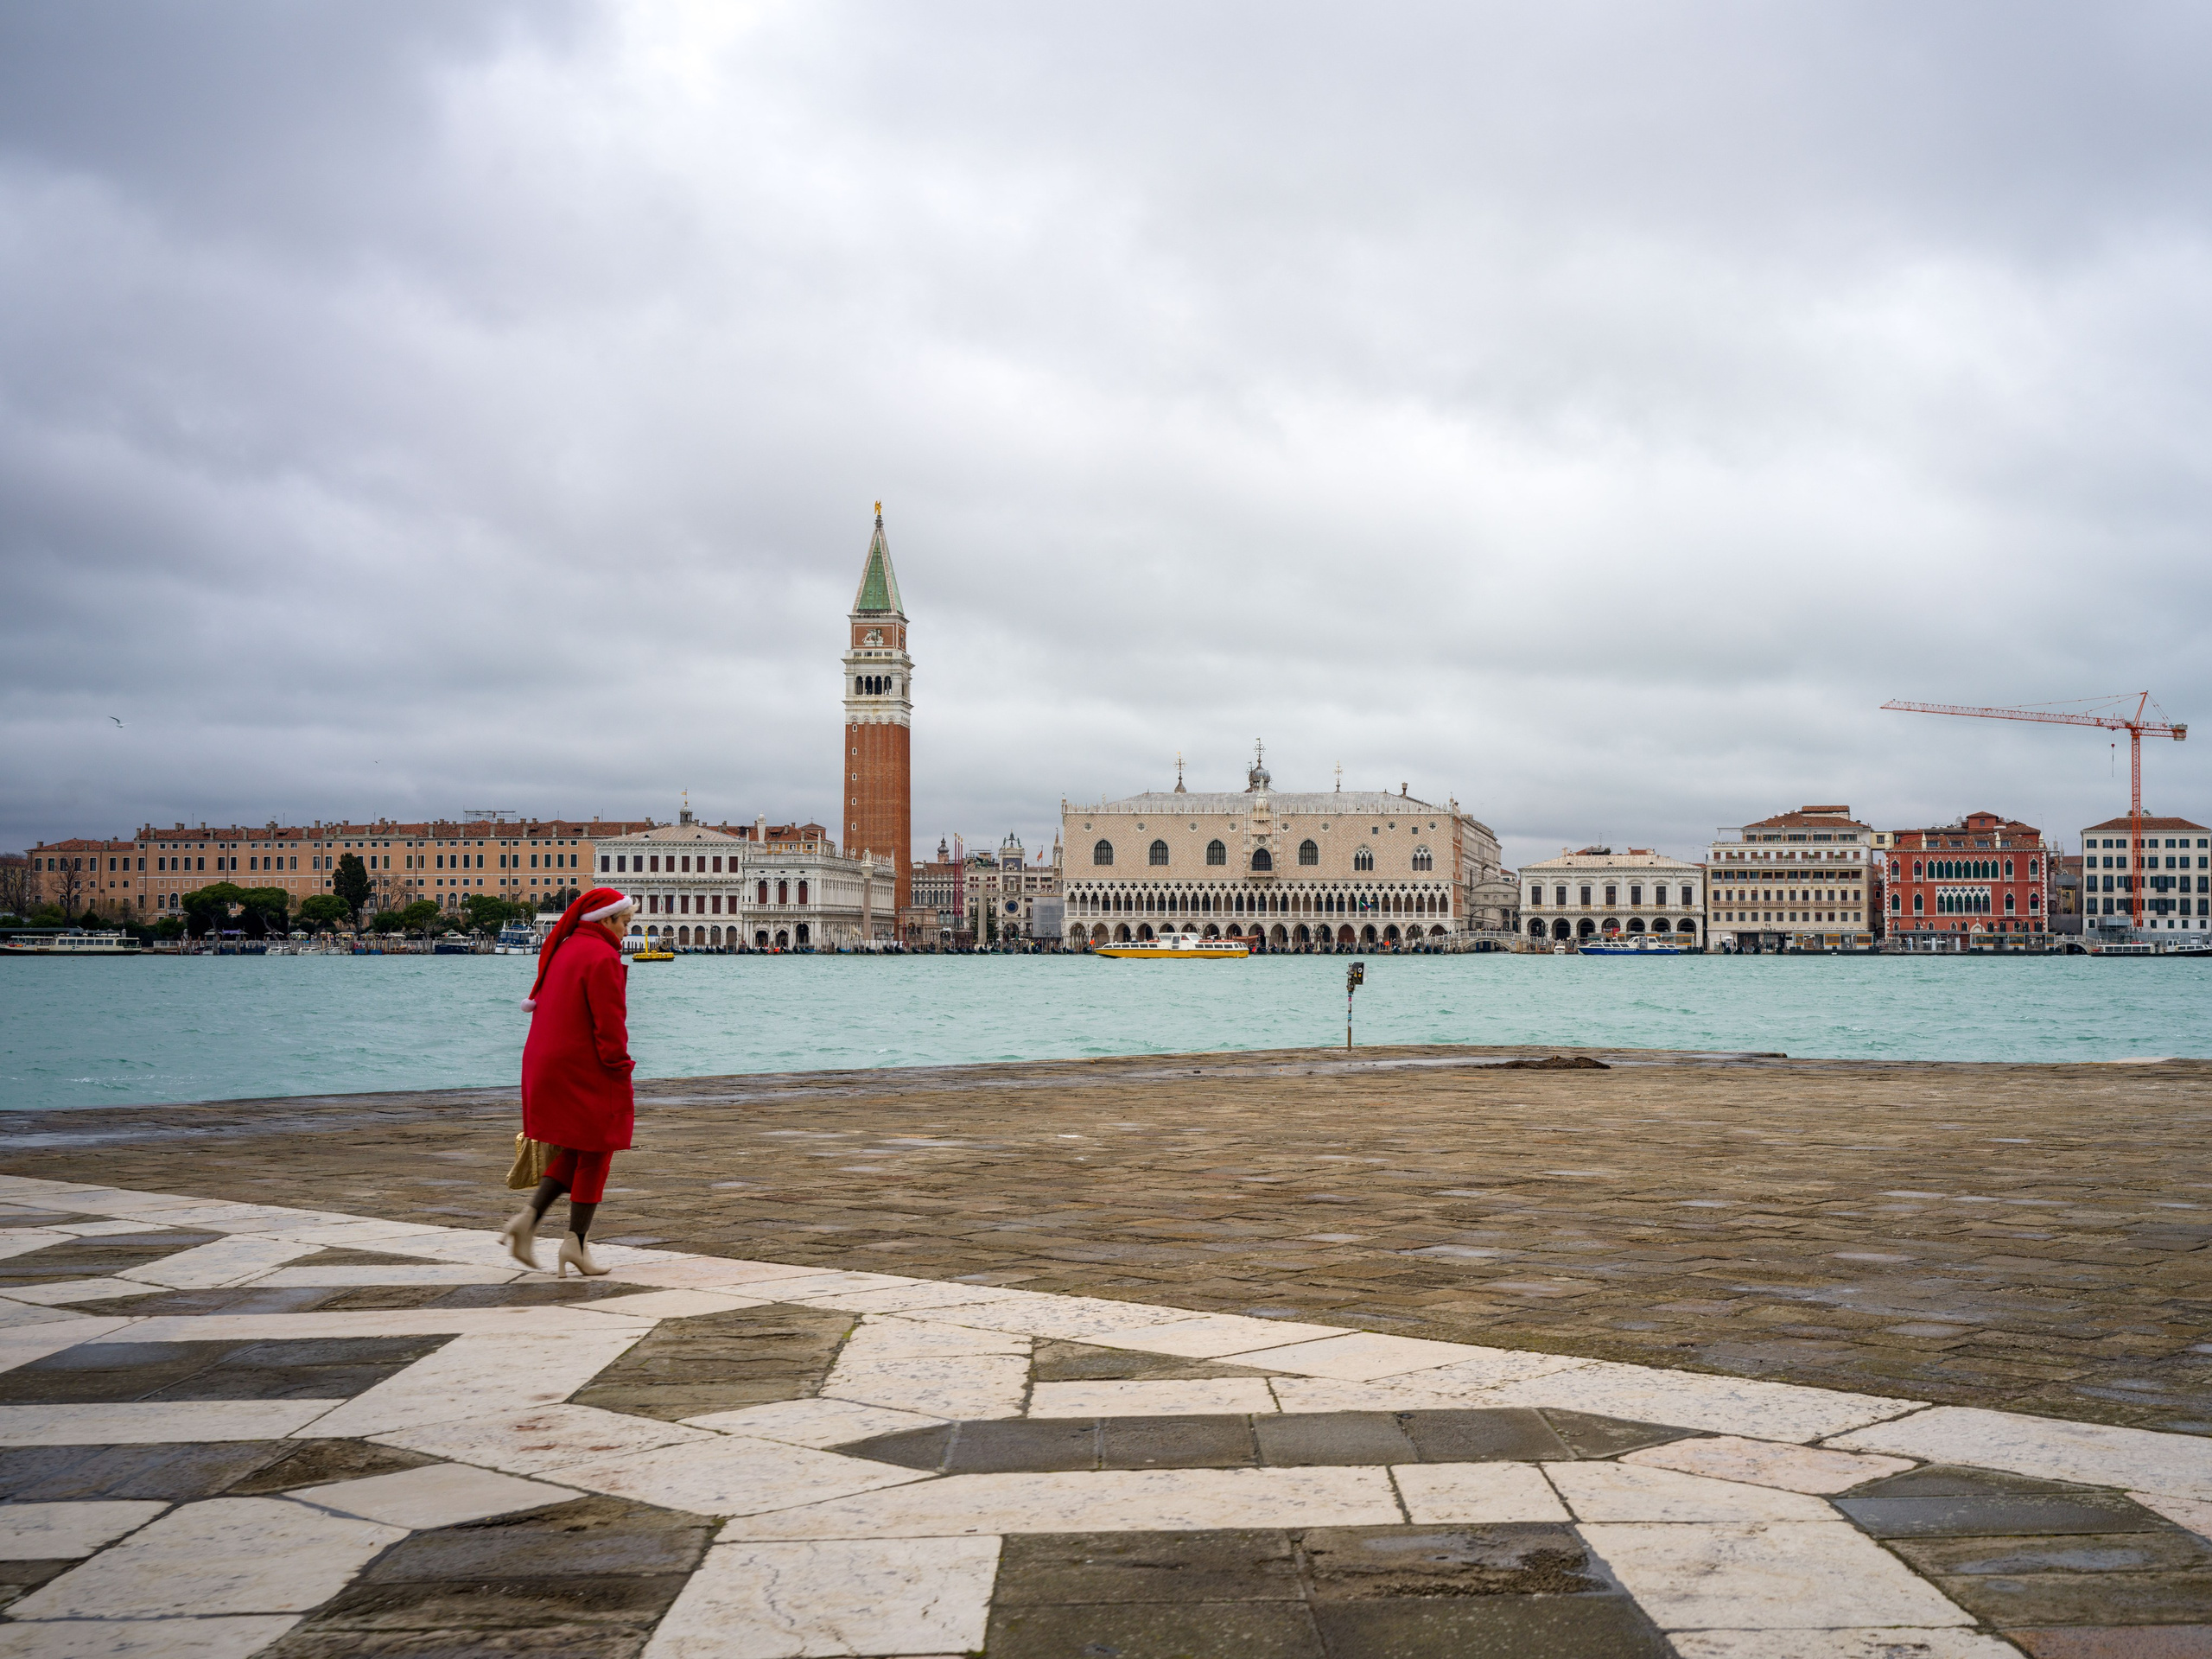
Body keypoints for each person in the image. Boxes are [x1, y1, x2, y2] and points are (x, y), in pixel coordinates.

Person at [500, 887, 637, 1277]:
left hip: (545, 1063)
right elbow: (609, 1024)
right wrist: (620, 1066)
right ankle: (575, 1243)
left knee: (577, 1149)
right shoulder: (601, 956)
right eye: (625, 923)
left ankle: (527, 1220)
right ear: (607, 920)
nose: (627, 932)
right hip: (582, 1065)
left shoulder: (565, 947)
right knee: (598, 1147)